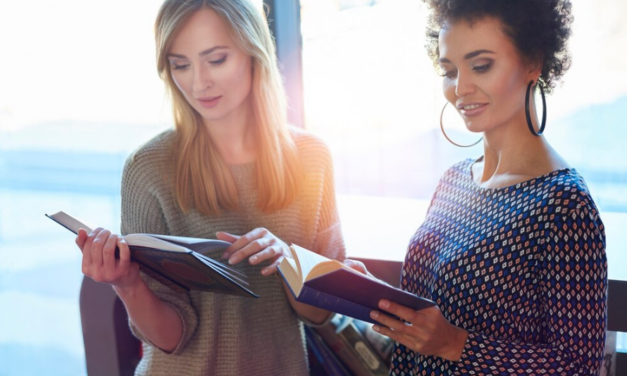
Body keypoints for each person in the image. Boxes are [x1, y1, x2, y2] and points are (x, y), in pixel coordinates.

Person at [75, 0, 345, 375]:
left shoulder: (312, 158)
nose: (198, 83)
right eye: (180, 64)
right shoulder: (149, 168)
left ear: (254, 52)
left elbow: (320, 313)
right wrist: (127, 284)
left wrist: (289, 263)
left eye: (216, 59)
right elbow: (171, 339)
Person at [364, 0, 608, 375]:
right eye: (449, 70)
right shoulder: (455, 180)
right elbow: (431, 311)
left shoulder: (564, 207)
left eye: (481, 66)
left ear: (533, 62)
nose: (460, 88)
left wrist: (454, 344)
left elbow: (578, 366)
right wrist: (369, 295)